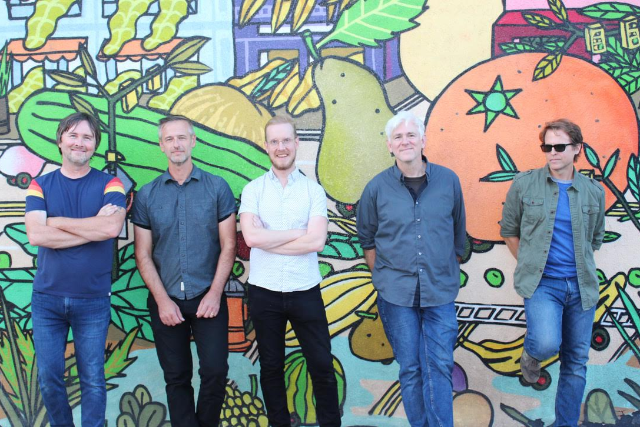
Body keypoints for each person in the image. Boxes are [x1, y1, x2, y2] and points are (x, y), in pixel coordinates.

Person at [357, 111, 466, 427]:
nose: (405, 142)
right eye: (398, 137)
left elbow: (458, 233)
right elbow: (367, 238)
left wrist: (444, 269)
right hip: (396, 295)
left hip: (439, 293)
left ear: (423, 141)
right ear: (389, 145)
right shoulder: (376, 188)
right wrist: (383, 279)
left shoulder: (448, 181)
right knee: (411, 368)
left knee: (440, 365)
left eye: (411, 135)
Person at [132, 115, 236, 426]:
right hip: (166, 299)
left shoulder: (217, 187)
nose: (176, 144)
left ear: (193, 141)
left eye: (181, 138)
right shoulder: (147, 194)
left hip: (208, 296)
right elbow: (142, 253)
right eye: (169, 139)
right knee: (176, 377)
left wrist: (215, 294)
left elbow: (229, 245)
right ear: (161, 145)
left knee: (215, 371)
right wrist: (163, 301)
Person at [500, 118, 605, 426]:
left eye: (560, 146)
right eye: (547, 147)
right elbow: (509, 230)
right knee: (546, 343)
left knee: (576, 363)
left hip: (582, 287)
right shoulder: (524, 184)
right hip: (543, 285)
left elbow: (595, 239)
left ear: (577, 149)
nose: (552, 153)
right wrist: (528, 263)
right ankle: (531, 354)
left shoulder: (593, 191)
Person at [25, 112, 126, 427]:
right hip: (47, 299)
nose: (79, 143)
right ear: (60, 141)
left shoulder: (111, 183)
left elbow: (111, 229)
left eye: (87, 137)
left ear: (95, 144)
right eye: (73, 135)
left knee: (93, 378)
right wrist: (91, 228)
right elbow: (36, 235)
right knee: (48, 377)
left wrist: (55, 222)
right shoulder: (39, 184)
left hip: (92, 299)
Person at [239, 115, 341, 427]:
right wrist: (298, 233)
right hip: (264, 291)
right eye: (274, 141)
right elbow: (251, 238)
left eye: (286, 140)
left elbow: (317, 241)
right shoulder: (253, 190)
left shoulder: (313, 191)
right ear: (266, 146)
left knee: (321, 365)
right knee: (271, 367)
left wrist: (268, 239)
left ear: (296, 143)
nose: (280, 147)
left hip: (305, 290)